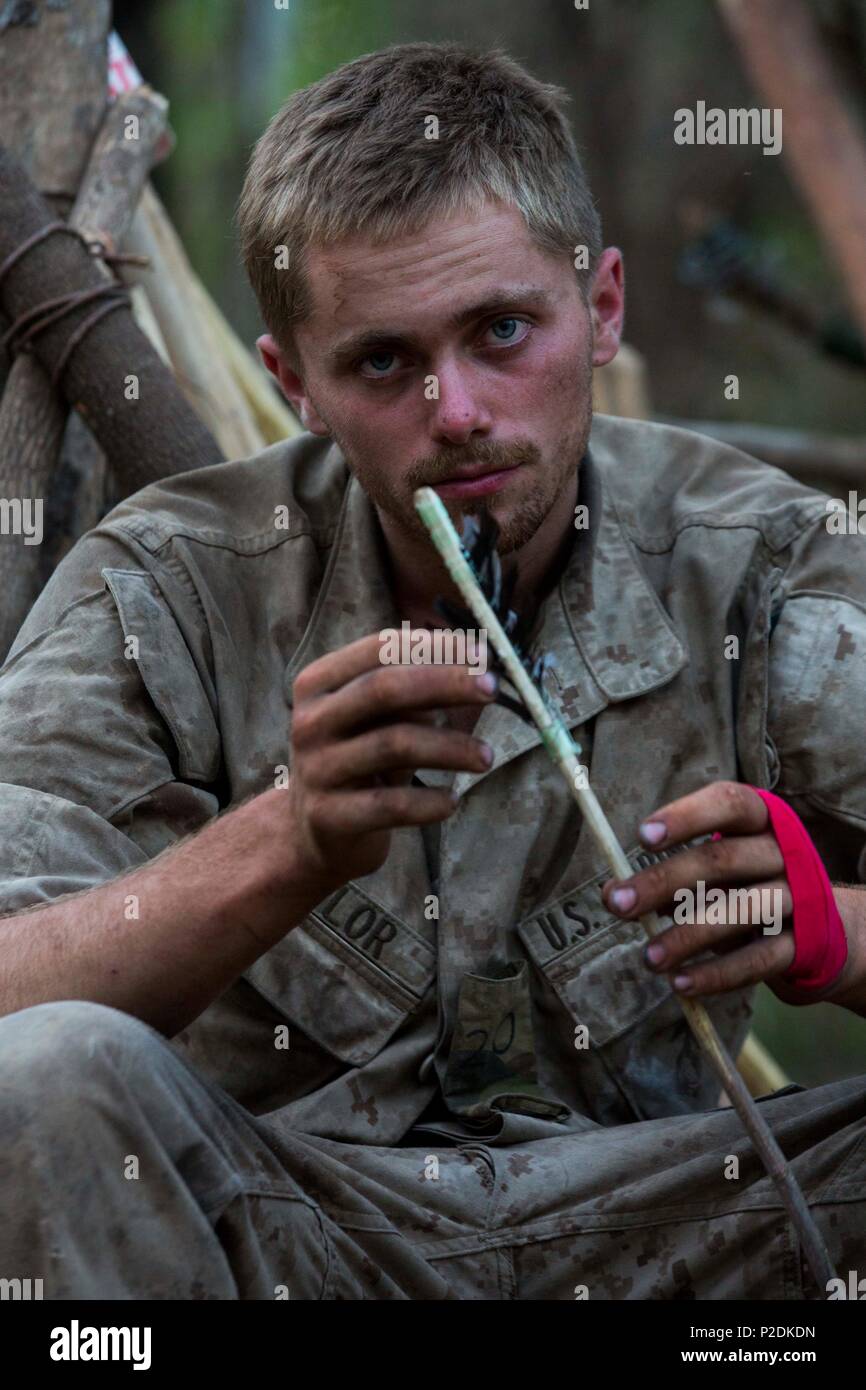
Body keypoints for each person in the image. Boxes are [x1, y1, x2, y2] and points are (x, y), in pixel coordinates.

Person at [0, 42, 864, 1301]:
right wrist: (288, 840)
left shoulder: (758, 563)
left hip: (685, 1230)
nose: (454, 410)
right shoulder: (165, 588)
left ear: (602, 305)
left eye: (501, 330)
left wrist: (831, 929)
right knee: (46, 1078)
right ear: (291, 381)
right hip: (287, 1230)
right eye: (383, 363)